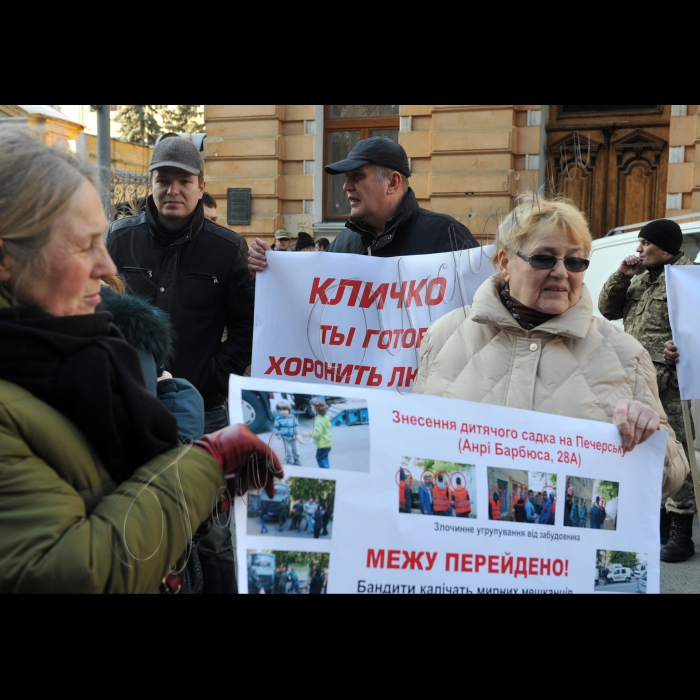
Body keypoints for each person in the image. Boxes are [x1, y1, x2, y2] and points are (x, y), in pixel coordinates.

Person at [0, 127, 282, 594]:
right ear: (6, 257)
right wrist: (202, 466)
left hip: (200, 400)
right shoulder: (45, 376)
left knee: (212, 546)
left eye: (183, 180)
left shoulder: (76, 355)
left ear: (201, 186)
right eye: (82, 243)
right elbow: (75, 570)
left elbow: (108, 504)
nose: (108, 269)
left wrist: (206, 384)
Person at [413, 194, 688, 510]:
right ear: (504, 263)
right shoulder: (445, 334)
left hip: (564, 556)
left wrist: (651, 439)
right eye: (544, 259)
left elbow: (671, 476)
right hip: (465, 552)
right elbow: (414, 442)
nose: (561, 272)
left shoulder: (626, 354)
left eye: (574, 261)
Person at [599, 219, 696, 562]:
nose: (638, 249)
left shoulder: (688, 278)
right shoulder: (639, 277)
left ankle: (681, 533)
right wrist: (621, 275)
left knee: (676, 451)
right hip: (635, 377)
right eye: (638, 243)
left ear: (665, 246)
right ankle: (655, 521)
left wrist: (684, 348)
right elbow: (607, 310)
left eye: (645, 243)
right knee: (643, 447)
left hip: (671, 382)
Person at [248, 137, 478, 273]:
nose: (346, 186)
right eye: (347, 177)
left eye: (357, 176)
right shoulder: (345, 242)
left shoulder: (447, 236)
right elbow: (312, 300)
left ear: (393, 182)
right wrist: (272, 268)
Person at [274, 401, 302, 466]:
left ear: (289, 410)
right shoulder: (278, 419)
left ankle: (297, 459)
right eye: (280, 410)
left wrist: (296, 434)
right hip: (285, 437)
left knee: (296, 450)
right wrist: (277, 434)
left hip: (293, 437)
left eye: (284, 409)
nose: (282, 411)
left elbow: (296, 426)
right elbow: (276, 428)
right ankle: (289, 461)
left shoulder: (293, 417)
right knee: (288, 450)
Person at [309, 398, 333, 469]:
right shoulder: (326, 417)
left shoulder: (318, 420)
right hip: (328, 442)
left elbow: (317, 433)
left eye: (312, 407)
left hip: (323, 444)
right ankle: (327, 468)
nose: (311, 408)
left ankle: (325, 472)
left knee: (320, 458)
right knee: (324, 457)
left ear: (316, 409)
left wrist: (308, 434)